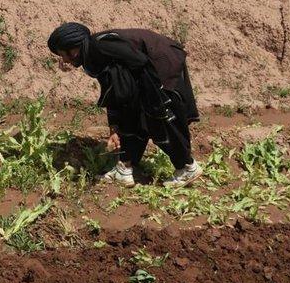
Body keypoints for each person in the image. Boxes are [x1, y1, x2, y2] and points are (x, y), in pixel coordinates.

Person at [47, 23, 202, 188]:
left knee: (159, 120)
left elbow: (141, 61)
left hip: (161, 66)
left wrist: (156, 100)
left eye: (64, 54)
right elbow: (114, 91)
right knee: (131, 114)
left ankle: (187, 167)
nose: (64, 60)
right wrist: (113, 125)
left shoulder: (99, 46)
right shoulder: (92, 55)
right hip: (145, 74)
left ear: (73, 47)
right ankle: (124, 168)